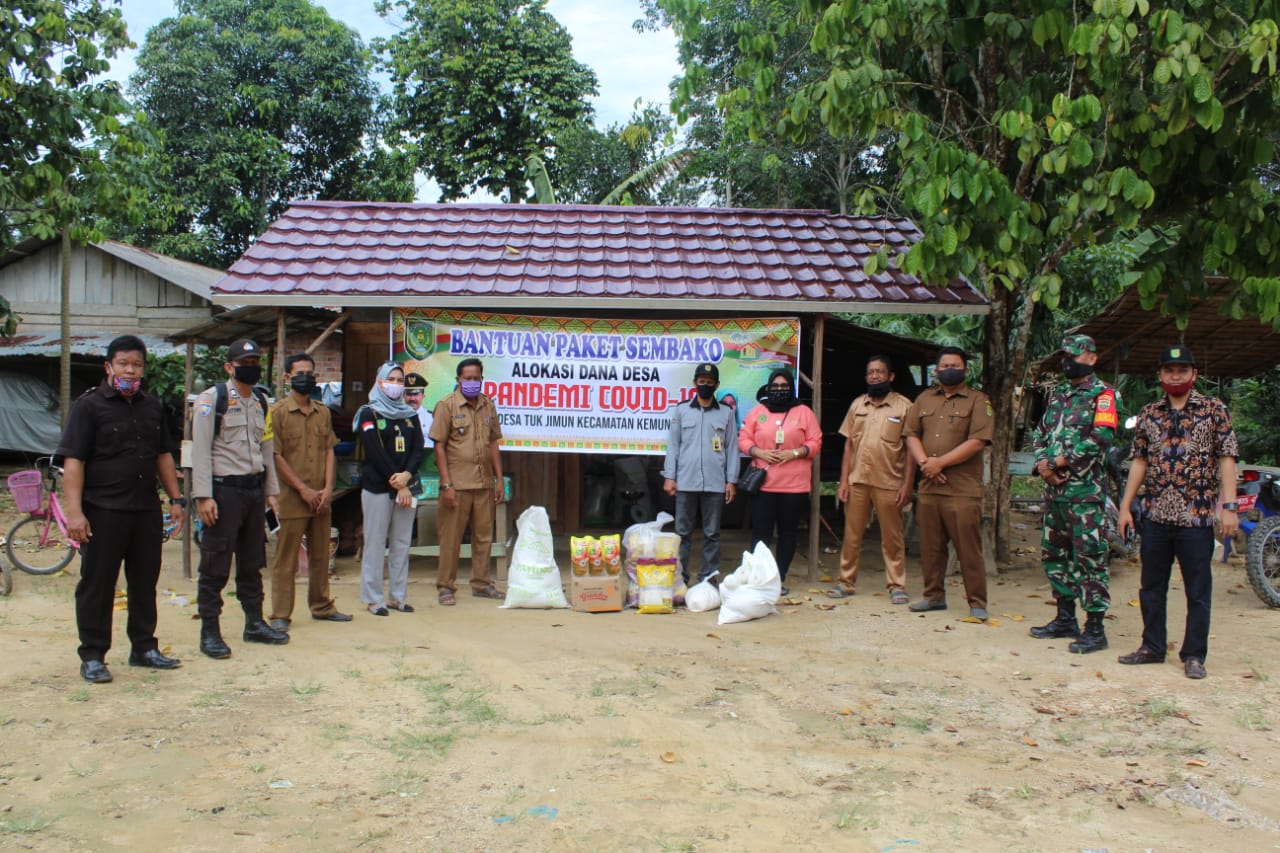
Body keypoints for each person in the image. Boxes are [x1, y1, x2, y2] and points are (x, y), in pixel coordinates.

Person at [57, 335, 185, 683]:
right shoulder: (89, 406)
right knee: (98, 584)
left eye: (137, 364)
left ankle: (144, 648)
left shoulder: (152, 406)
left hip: (144, 510)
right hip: (102, 511)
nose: (131, 369)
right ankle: (94, 655)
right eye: (124, 363)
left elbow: (163, 456)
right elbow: (74, 461)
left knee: (145, 582)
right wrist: (74, 513)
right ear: (109, 366)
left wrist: (176, 499)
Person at [1117, 346, 1239, 680]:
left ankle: (1194, 655)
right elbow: (1139, 460)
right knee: (1150, 585)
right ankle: (1152, 646)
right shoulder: (1149, 413)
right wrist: (1126, 506)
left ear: (1193, 374)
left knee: (1198, 589)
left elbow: (1227, 458)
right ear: (1160, 375)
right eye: (1169, 370)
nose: (1175, 376)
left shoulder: (1214, 410)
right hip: (1155, 514)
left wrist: (1229, 507)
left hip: (1196, 516)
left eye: (1182, 370)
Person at [192, 339, 287, 658]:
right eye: (245, 361)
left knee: (252, 561)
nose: (252, 366)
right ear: (229, 367)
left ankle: (254, 623)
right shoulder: (211, 400)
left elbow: (267, 451)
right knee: (215, 563)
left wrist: (271, 492)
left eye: (256, 360)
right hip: (224, 492)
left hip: (253, 491)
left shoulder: (261, 401)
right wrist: (203, 496)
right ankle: (210, 631)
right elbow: (201, 451)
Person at [1028, 335, 1119, 653]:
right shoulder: (1059, 395)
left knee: (1090, 559)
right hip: (1055, 495)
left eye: (1075, 355)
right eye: (1065, 356)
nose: (1068, 361)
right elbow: (1040, 432)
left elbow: (1100, 439)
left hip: (1085, 494)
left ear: (1092, 358)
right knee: (1056, 556)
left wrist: (1057, 463)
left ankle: (1095, 628)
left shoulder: (1103, 395)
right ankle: (1065, 618)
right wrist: (1042, 463)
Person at [904, 347, 994, 620]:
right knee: (930, 547)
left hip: (962, 489)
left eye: (955, 365)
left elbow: (978, 441)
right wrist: (925, 464)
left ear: (966, 370)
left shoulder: (979, 401)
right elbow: (911, 434)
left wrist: (939, 463)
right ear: (936, 370)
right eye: (944, 365)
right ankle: (933, 597)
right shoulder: (924, 399)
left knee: (968, 548)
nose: (949, 369)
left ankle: (977, 602)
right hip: (930, 486)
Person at [266, 353, 352, 633]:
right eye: (299, 372)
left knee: (320, 555)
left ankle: (322, 606)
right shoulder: (277, 412)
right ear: (287, 378)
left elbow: (330, 450)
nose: (306, 377)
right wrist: (302, 489)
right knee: (286, 558)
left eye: (310, 373)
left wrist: (328, 488)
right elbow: (275, 456)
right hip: (291, 496)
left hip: (321, 496)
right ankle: (280, 614)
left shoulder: (322, 411)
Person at [828, 355, 916, 603]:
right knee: (852, 535)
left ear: (891, 376)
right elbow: (849, 446)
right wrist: (843, 481)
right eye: (870, 372)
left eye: (880, 372)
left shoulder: (904, 407)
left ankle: (897, 585)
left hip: (890, 483)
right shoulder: (858, 405)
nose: (875, 376)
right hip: (858, 481)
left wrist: (908, 484)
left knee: (892, 538)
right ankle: (845, 582)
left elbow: (911, 450)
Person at [737, 367, 822, 596]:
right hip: (763, 485)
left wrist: (795, 453)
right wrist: (758, 452)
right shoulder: (758, 411)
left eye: (785, 386)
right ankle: (758, 578)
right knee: (761, 533)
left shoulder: (804, 412)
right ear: (768, 388)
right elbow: (743, 438)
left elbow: (816, 441)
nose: (779, 390)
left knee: (788, 533)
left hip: (794, 486)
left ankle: (779, 578)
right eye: (775, 386)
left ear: (791, 388)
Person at [429, 358, 506, 605]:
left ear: (481, 379)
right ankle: (446, 587)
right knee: (451, 538)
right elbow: (438, 446)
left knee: (484, 537)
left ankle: (481, 584)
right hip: (457, 485)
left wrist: (499, 479)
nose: (472, 383)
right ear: (458, 380)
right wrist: (446, 484)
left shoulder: (488, 405)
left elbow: (494, 443)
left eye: (476, 378)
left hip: (484, 483)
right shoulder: (446, 405)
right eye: (467, 379)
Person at [356, 362, 424, 616]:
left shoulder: (409, 414)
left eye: (399, 380)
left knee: (402, 542)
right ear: (380, 381)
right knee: (374, 543)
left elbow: (418, 447)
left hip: (407, 486)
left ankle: (398, 596)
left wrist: (406, 476)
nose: (395, 384)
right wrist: (396, 481)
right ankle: (373, 598)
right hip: (377, 487)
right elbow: (374, 451)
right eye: (390, 379)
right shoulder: (368, 413)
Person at [661, 363, 738, 585]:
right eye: (701, 381)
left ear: (717, 385)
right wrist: (670, 475)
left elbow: (732, 447)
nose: (705, 385)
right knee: (682, 534)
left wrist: (731, 480)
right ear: (695, 383)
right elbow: (673, 445)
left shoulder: (726, 412)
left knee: (712, 534)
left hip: (715, 483)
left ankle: (708, 579)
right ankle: (680, 580)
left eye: (709, 382)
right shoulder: (682, 409)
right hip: (685, 481)